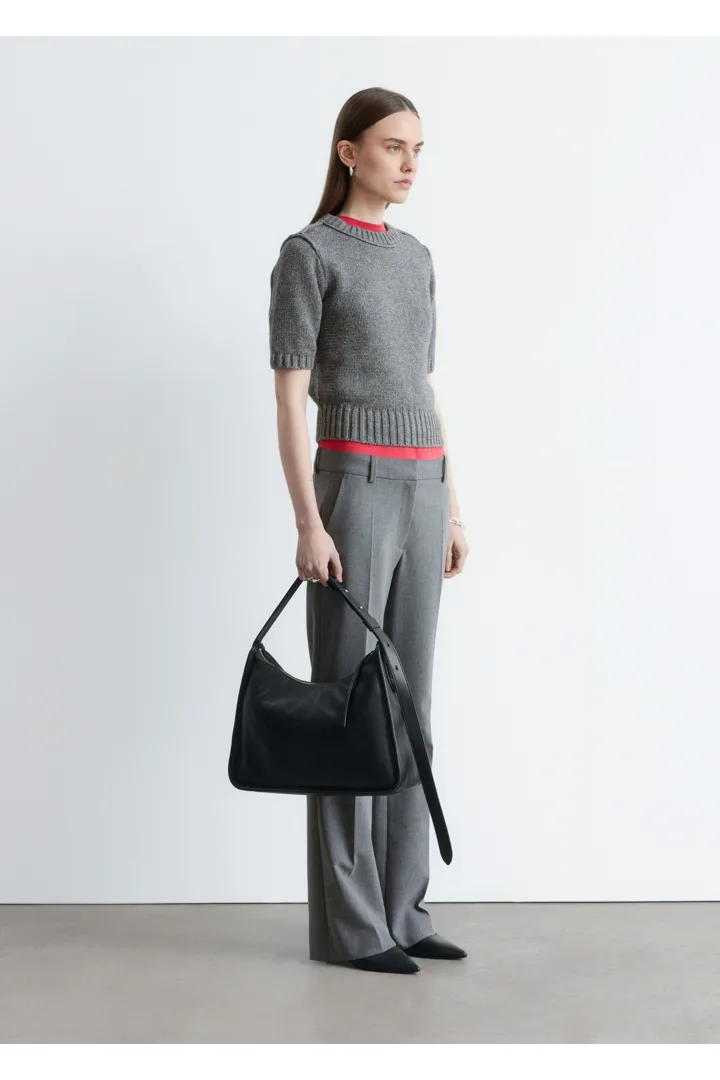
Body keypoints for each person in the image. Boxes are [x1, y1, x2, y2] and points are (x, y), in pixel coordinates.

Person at [267, 87, 470, 974]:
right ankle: (352, 929)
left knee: (410, 704)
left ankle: (403, 909)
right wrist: (308, 522)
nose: (410, 163)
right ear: (350, 153)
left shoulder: (417, 257)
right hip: (351, 485)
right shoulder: (308, 254)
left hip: (423, 487)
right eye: (393, 146)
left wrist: (452, 504)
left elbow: (422, 388)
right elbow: (289, 401)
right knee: (351, 706)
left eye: (418, 148)